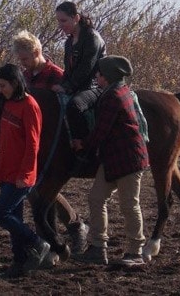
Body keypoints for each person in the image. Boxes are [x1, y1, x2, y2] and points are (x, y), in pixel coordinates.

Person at [11, 29, 89, 253]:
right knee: (38, 192)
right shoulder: (25, 78)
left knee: (41, 193)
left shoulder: (56, 75)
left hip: (53, 145)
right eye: (20, 60)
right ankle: (61, 233)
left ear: (37, 52)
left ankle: (71, 229)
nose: (23, 64)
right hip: (34, 142)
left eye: (25, 59)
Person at [73, 55, 150, 267]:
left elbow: (100, 131)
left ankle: (136, 252)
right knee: (96, 198)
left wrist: (83, 144)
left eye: (99, 73)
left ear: (106, 76)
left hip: (127, 159)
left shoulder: (112, 97)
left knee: (129, 205)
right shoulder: (119, 92)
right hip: (114, 159)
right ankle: (98, 248)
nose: (96, 76)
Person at [0, 63, 51, 278]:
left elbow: (33, 144)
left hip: (21, 174)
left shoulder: (30, 106)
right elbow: (4, 135)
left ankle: (38, 243)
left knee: (0, 214)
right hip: (6, 170)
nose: (0, 90)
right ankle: (19, 260)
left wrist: (25, 174)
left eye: (3, 85)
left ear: (14, 83)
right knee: (14, 217)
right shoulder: (9, 104)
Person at [52, 1, 106, 155]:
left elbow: (86, 69)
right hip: (79, 86)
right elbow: (68, 71)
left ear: (75, 18)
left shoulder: (91, 37)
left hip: (95, 87)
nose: (60, 25)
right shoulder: (69, 42)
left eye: (63, 20)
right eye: (58, 21)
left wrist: (66, 88)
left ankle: (84, 146)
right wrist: (60, 85)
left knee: (75, 105)